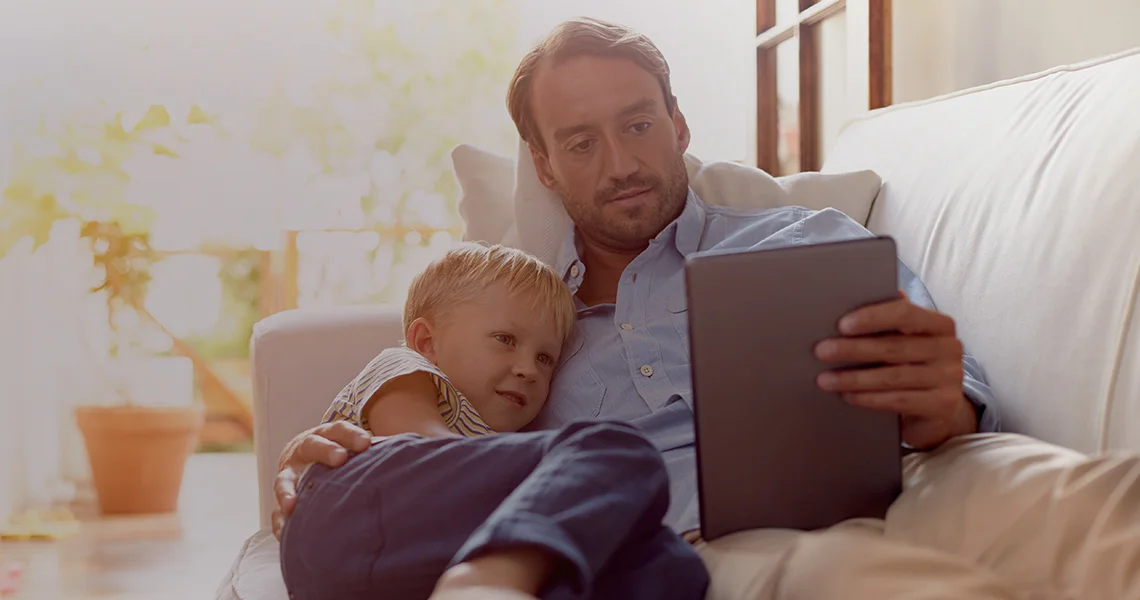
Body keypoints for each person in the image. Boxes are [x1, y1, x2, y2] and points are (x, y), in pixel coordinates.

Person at [272, 17, 1140, 599]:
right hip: (705, 543)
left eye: (639, 124)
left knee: (1103, 505)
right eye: (581, 141)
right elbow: (439, 449)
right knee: (863, 577)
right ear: (542, 165)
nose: (621, 162)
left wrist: (942, 399)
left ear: (680, 125)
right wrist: (331, 450)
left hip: (928, 474)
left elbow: (953, 407)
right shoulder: (531, 332)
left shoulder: (808, 237)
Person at [278, 243, 709, 600]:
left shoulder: (496, 446)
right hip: (347, 505)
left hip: (393, 560)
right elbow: (427, 447)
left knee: (669, 564)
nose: (529, 369)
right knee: (614, 449)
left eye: (545, 358)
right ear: (427, 340)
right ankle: (478, 584)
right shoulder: (406, 368)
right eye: (505, 340)